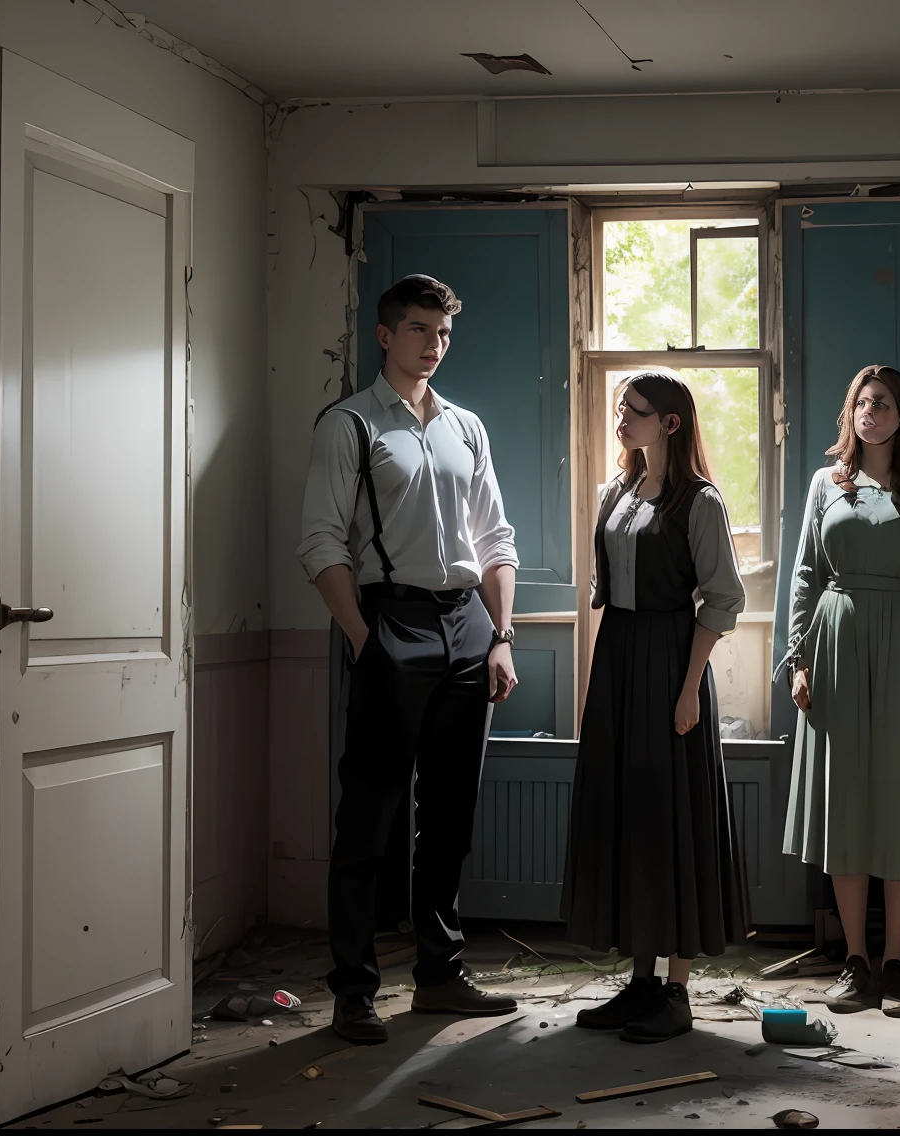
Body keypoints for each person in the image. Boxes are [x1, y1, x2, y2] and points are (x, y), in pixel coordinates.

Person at [298, 274, 523, 1045]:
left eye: (444, 333)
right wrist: (366, 639)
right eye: (420, 330)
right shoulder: (350, 426)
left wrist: (501, 634)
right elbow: (321, 542)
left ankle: (438, 976)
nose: (434, 345)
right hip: (389, 620)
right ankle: (355, 990)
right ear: (386, 336)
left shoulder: (466, 426)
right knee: (370, 817)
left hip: (467, 624)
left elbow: (496, 538)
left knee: (451, 815)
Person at [562, 371, 750, 1044]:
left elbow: (724, 599)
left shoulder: (698, 501)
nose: (621, 421)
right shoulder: (618, 490)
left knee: (674, 818)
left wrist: (687, 686)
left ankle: (676, 989)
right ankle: (640, 982)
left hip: (672, 659)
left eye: (633, 413)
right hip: (619, 660)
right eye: (620, 410)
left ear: (670, 423)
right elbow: (606, 588)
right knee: (629, 816)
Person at [782, 365, 900, 1018]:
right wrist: (797, 658)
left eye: (884, 403)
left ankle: (896, 962)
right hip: (834, 650)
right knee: (846, 807)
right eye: (862, 402)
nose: (871, 412)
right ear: (851, 412)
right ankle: (854, 960)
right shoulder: (822, 484)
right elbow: (804, 574)